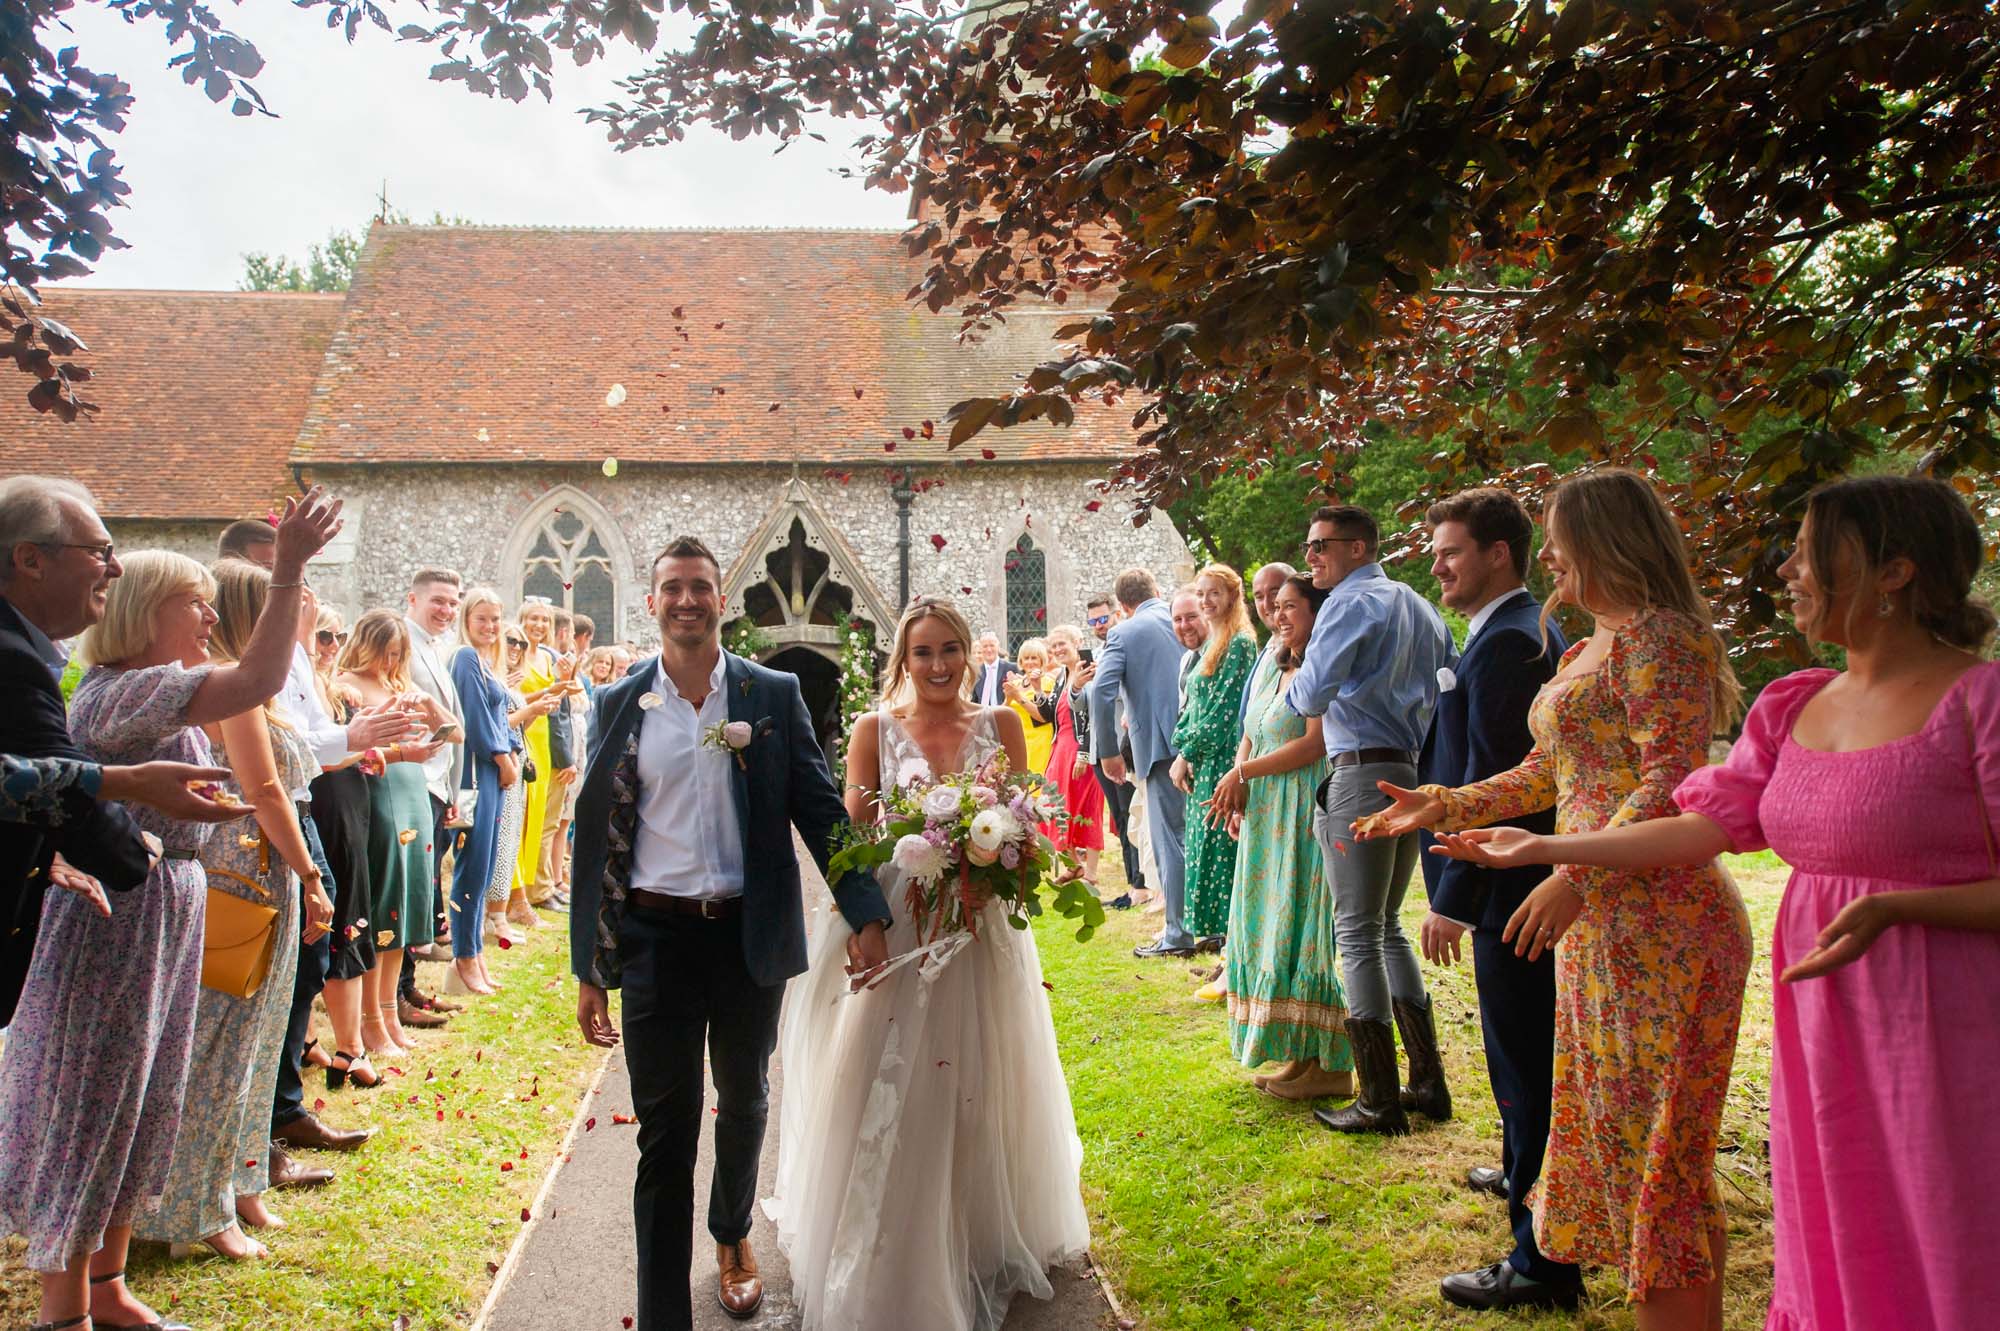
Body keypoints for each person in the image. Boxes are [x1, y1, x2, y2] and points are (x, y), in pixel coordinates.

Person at [1436, 473, 2000, 1331]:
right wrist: (1502, 827)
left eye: (1813, 554)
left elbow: (1666, 784)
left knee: (1932, 1208)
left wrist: (1901, 908)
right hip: (1783, 988)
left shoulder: (1976, 700)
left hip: (1895, 995)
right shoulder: (1785, 699)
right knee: (1816, 1196)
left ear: (1895, 571)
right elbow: (1673, 812)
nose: (1789, 570)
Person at [1365, 468, 1751, 1327]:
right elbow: (1551, 771)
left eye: (1562, 536)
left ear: (1606, 537)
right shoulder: (1586, 646)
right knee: (1623, 1144)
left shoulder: (1667, 640)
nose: (1554, 554)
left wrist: (1574, 873)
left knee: (1665, 1158)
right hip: (1600, 927)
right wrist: (1447, 803)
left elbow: (1670, 780)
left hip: (1664, 924)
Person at [0, 489, 339, 1331]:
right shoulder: (125, 691)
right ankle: (64, 1307)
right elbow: (258, 680)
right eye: (196, 601)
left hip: (164, 910)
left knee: (149, 1097)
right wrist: (289, 567)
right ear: (150, 613)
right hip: (121, 922)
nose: (210, 615)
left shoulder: (140, 686)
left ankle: (109, 1284)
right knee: (99, 1101)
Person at [567, 536, 890, 1331]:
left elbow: (818, 810)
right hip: (654, 942)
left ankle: (733, 1233)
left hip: (747, 936)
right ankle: (662, 1313)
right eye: (672, 588)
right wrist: (591, 965)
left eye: (700, 587)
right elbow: (594, 834)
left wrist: (867, 909)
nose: (687, 600)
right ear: (652, 603)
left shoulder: (770, 695)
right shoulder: (619, 704)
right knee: (664, 1136)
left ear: (723, 598)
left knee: (744, 1098)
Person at [771, 595, 1090, 1330]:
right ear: (902, 661)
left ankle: (977, 1228)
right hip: (905, 922)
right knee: (898, 1073)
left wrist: (1015, 850)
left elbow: (1026, 817)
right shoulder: (872, 730)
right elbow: (852, 834)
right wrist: (860, 920)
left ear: (967, 654)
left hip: (985, 925)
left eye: (949, 648)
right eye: (923, 652)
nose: (939, 664)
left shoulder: (1002, 723)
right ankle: (900, 1231)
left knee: (985, 1071)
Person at [135, 559, 333, 1262]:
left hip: (259, 869)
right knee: (218, 1053)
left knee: (252, 1044)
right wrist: (311, 876)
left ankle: (242, 1181)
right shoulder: (229, 689)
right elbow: (267, 789)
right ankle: (200, 1206)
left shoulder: (249, 690)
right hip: (243, 873)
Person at [1414, 488, 1576, 1310]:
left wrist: (1452, 892)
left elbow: (1504, 783)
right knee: (1520, 1053)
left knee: (1528, 1056)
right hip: (1509, 880)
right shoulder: (1502, 634)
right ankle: (1520, 1166)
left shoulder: (1513, 644)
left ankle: (1537, 1254)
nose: (1437, 565)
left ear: (1498, 555)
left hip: (1514, 888)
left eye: (1450, 551)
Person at [0, 476, 202, 1028]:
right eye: (99, 552)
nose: (114, 568)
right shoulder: (11, 659)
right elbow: (43, 782)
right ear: (30, 560)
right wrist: (133, 825)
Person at [1285, 503, 1454, 1137]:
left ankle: (1380, 1099)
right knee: (1386, 927)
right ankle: (1427, 1083)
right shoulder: (1417, 604)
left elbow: (1310, 695)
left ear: (1358, 548)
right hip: (1408, 771)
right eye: (1308, 548)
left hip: (1359, 771)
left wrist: (1296, 673)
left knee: (1356, 929)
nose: (1312, 559)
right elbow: (1447, 683)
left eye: (1320, 546)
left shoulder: (1350, 606)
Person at [1204, 573, 1350, 1099]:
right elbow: (1249, 728)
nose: (1279, 614)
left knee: (1302, 921)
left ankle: (1330, 1064)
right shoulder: (1273, 657)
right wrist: (1238, 777)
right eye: (1275, 606)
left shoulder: (1322, 662)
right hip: (1267, 806)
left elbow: (1314, 744)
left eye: (1291, 606)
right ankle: (1296, 1052)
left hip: (1302, 802)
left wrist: (1245, 776)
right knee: (1272, 924)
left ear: (1318, 612)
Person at [272, 580, 402, 1153]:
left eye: (336, 634)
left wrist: (368, 744)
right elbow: (292, 752)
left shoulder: (305, 669)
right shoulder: (282, 668)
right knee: (317, 943)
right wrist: (363, 739)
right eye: (324, 632)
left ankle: (297, 1088)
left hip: (329, 801)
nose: (330, 642)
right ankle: (307, 1078)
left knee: (323, 946)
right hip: (311, 805)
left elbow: (320, 745)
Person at [337, 612, 454, 1057]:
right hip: (379, 797)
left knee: (403, 911)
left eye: (399, 654)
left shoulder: (399, 688)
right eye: (387, 652)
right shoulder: (346, 685)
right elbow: (350, 753)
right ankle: (370, 1022)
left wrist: (423, 705)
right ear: (366, 644)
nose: (392, 661)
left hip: (413, 792)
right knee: (382, 908)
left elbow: (453, 731)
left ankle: (388, 1011)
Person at [1089, 568, 1195, 957]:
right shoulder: (1187, 617)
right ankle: (1209, 924)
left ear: (1123, 606)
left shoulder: (1124, 633)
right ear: (1156, 591)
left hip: (1160, 748)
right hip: (1203, 742)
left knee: (1170, 840)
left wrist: (1108, 751)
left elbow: (1101, 693)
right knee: (1202, 836)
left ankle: (1178, 933)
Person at [1170, 564, 1257, 964]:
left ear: (1233, 596)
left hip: (1222, 761)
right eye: (1201, 593)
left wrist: (1186, 752)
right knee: (1207, 858)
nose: (1206, 601)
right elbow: (1191, 708)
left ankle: (1232, 958)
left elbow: (1223, 716)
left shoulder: (1239, 643)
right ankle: (1226, 956)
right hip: (1201, 764)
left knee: (1223, 858)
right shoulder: (1211, 642)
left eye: (1214, 593)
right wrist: (1181, 751)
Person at [448, 589, 525, 997]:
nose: (491, 627)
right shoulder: (464, 658)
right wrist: (502, 758)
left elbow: (499, 715)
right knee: (472, 865)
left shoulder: (487, 662)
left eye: (496, 619)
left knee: (487, 864)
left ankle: (476, 952)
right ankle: (463, 955)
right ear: (467, 618)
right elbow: (475, 720)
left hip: (496, 773)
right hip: (478, 774)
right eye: (482, 618)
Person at [400, 567, 466, 1023]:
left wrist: (453, 789)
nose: (447, 610)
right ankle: (400, 993)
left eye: (452, 602)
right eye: (438, 601)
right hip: (412, 779)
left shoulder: (436, 648)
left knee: (424, 886)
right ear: (413, 600)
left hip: (437, 783)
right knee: (409, 889)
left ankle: (409, 987)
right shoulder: (402, 643)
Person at [1083, 594, 1146, 907]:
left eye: (1103, 619)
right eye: (1093, 622)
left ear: (1116, 615)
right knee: (1119, 819)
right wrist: (1077, 684)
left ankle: (1142, 883)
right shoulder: (1096, 654)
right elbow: (1084, 704)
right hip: (1099, 747)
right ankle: (1131, 882)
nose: (1098, 626)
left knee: (1131, 813)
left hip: (1123, 745)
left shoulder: (1127, 647)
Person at [1042, 625, 1104, 887]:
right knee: (1056, 806)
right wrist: (1035, 690)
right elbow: (1050, 716)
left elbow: (1094, 714)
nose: (1057, 650)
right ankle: (1074, 865)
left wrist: (1084, 752)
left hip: (1081, 748)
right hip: (1060, 748)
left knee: (1087, 806)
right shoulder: (1058, 677)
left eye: (1062, 644)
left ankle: (1090, 871)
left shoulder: (1089, 671)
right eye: (1053, 646)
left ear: (1077, 642)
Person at [1002, 636, 1057, 776]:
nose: (1030, 662)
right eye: (1026, 658)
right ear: (1020, 661)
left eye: (1034, 658)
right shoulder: (1016, 684)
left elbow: (1043, 716)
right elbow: (1002, 713)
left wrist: (1018, 697)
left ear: (1042, 660)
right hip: (1018, 739)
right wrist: (1008, 699)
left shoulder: (1047, 682)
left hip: (1040, 740)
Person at [1170, 585, 1206, 703]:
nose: (1184, 626)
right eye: (1178, 619)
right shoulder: (1186, 659)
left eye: (1191, 617)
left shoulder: (1226, 655)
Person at [971, 631, 1017, 706]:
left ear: (998, 647)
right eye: (985, 646)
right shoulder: (976, 671)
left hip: (1005, 714)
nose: (989, 650)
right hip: (982, 715)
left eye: (992, 645)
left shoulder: (1011, 668)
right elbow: (975, 699)